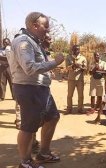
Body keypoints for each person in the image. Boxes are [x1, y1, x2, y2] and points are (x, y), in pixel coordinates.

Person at [8, 12, 65, 168]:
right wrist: (55, 62)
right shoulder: (22, 42)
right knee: (29, 126)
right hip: (29, 89)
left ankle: (44, 153)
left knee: (52, 117)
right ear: (34, 25)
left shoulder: (34, 42)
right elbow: (30, 67)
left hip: (41, 89)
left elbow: (36, 64)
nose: (48, 30)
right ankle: (25, 162)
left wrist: (48, 69)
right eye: (45, 26)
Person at [65, 45, 87, 114]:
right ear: (72, 50)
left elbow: (85, 68)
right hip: (71, 78)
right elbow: (67, 67)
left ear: (79, 50)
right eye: (74, 49)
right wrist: (73, 66)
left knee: (80, 95)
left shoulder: (83, 58)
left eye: (77, 49)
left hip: (80, 79)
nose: (76, 51)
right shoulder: (68, 57)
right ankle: (69, 109)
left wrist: (80, 66)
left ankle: (80, 109)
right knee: (69, 95)